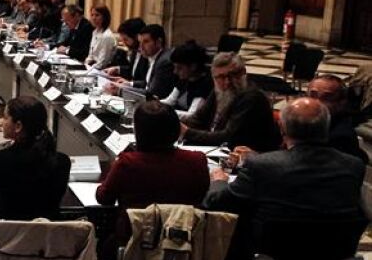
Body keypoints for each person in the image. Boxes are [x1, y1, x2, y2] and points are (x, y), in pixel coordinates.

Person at [204, 97, 365, 225]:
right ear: (325, 127)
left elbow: (217, 203)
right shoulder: (354, 165)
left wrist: (219, 181)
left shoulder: (261, 166)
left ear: (282, 128)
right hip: (335, 252)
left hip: (268, 252)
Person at [97, 101, 209, 246]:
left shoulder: (128, 163)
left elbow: (104, 198)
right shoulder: (197, 161)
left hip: (134, 243)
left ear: (139, 132)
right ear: (176, 129)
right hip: (183, 242)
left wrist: (110, 172)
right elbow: (201, 195)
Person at [0, 96, 70, 220]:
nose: (1, 122)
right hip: (46, 231)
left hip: (7, 230)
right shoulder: (62, 162)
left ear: (18, 126)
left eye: (5, 117)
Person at [181, 52, 282, 151]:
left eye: (232, 75)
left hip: (251, 155)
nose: (227, 81)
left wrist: (187, 133)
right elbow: (198, 119)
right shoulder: (220, 90)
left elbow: (227, 137)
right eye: (221, 77)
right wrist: (176, 124)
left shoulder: (251, 98)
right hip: (220, 149)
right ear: (213, 77)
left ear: (243, 73)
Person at [109, 24, 175, 99]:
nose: (141, 47)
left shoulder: (164, 62)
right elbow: (147, 83)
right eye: (140, 42)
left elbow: (152, 93)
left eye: (146, 42)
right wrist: (129, 84)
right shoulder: (154, 57)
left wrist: (120, 91)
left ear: (158, 42)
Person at [161, 41, 213, 120]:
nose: (175, 72)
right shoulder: (184, 78)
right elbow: (170, 100)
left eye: (179, 68)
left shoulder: (205, 84)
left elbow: (191, 115)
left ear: (193, 66)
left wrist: (163, 111)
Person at [105, 18, 148, 83]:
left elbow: (145, 82)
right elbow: (132, 71)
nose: (124, 43)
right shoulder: (135, 51)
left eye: (126, 40)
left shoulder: (147, 54)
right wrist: (117, 69)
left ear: (137, 37)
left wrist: (129, 83)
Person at [85, 5, 117, 69]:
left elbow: (102, 63)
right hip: (92, 67)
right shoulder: (95, 32)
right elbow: (90, 55)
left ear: (104, 17)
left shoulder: (107, 36)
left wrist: (88, 68)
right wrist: (85, 64)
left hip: (101, 70)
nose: (94, 18)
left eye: (97, 15)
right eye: (92, 15)